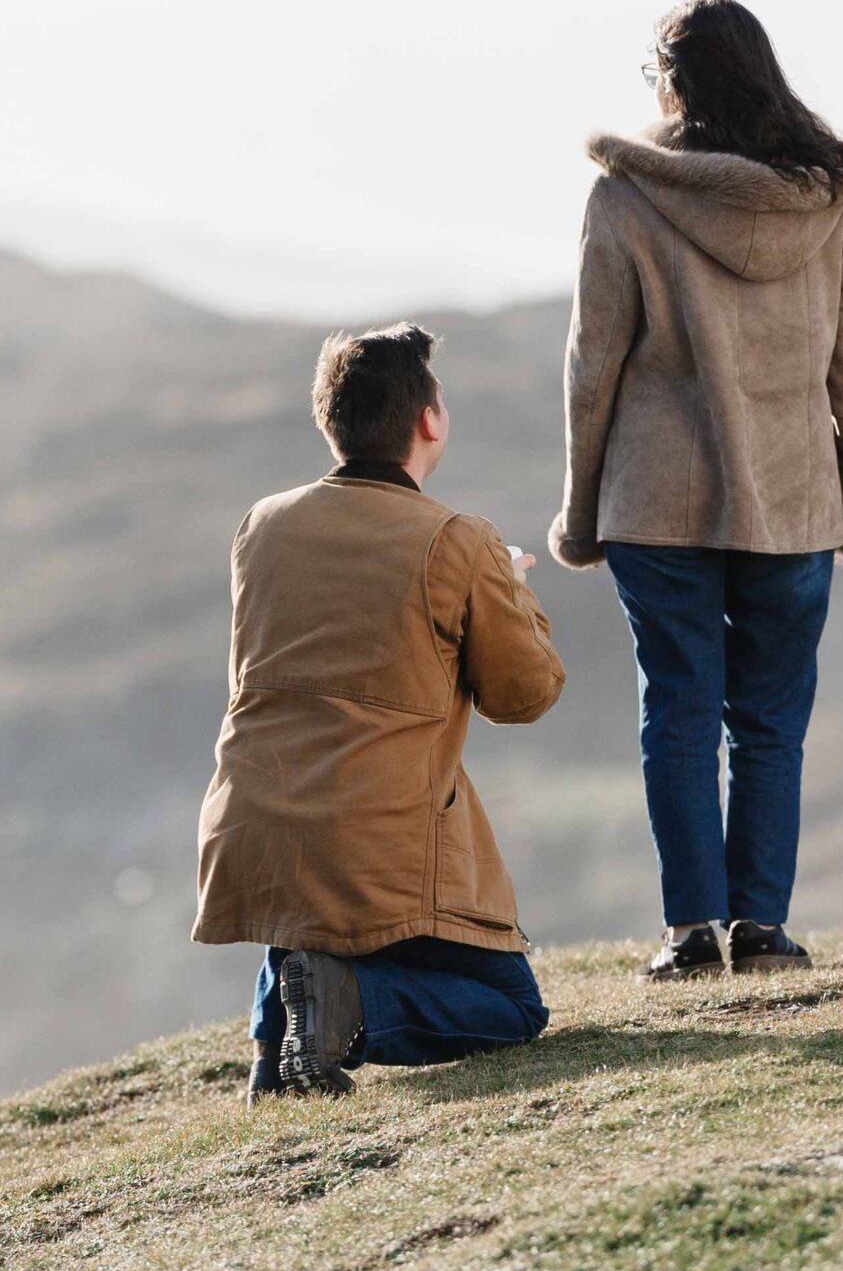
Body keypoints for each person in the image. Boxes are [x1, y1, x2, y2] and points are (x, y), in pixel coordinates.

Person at [549, 0, 843, 983]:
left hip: (656, 494)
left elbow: (590, 365)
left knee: (680, 709)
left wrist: (579, 506)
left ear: (671, 81)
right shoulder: (826, 199)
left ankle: (690, 931)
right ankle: (762, 927)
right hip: (793, 494)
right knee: (771, 720)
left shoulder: (625, 195)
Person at [194, 322, 567, 1101]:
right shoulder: (457, 540)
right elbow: (524, 695)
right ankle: (347, 1007)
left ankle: (280, 1053)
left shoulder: (260, 526)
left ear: (329, 421)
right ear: (429, 420)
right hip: (379, 839)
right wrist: (511, 590)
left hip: (254, 824)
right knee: (512, 1007)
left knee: (311, 898)